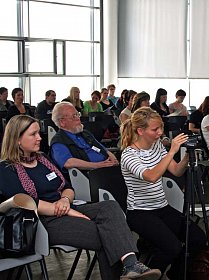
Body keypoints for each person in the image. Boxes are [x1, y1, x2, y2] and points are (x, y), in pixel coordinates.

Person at [0, 115, 161, 280]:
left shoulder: (42, 159)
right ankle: (132, 267)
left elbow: (67, 187)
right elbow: (25, 201)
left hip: (66, 206)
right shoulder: (6, 168)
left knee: (110, 206)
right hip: (42, 221)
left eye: (38, 133)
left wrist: (65, 201)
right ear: (17, 139)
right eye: (33, 134)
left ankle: (131, 266)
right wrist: (67, 210)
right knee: (106, 235)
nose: (39, 138)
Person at [120, 107, 207, 279]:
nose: (160, 132)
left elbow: (176, 171)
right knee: (172, 247)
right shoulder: (129, 154)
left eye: (161, 128)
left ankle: (175, 274)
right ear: (140, 130)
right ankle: (145, 275)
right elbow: (151, 176)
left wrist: (186, 157)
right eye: (155, 129)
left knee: (197, 238)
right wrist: (173, 150)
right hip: (140, 212)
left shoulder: (157, 146)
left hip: (162, 208)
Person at [50, 102, 118, 178]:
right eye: (73, 116)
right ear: (62, 122)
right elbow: (68, 162)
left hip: (108, 168)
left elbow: (103, 149)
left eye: (77, 114)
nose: (78, 118)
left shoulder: (85, 133)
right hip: (91, 176)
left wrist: (113, 159)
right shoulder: (58, 141)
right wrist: (98, 165)